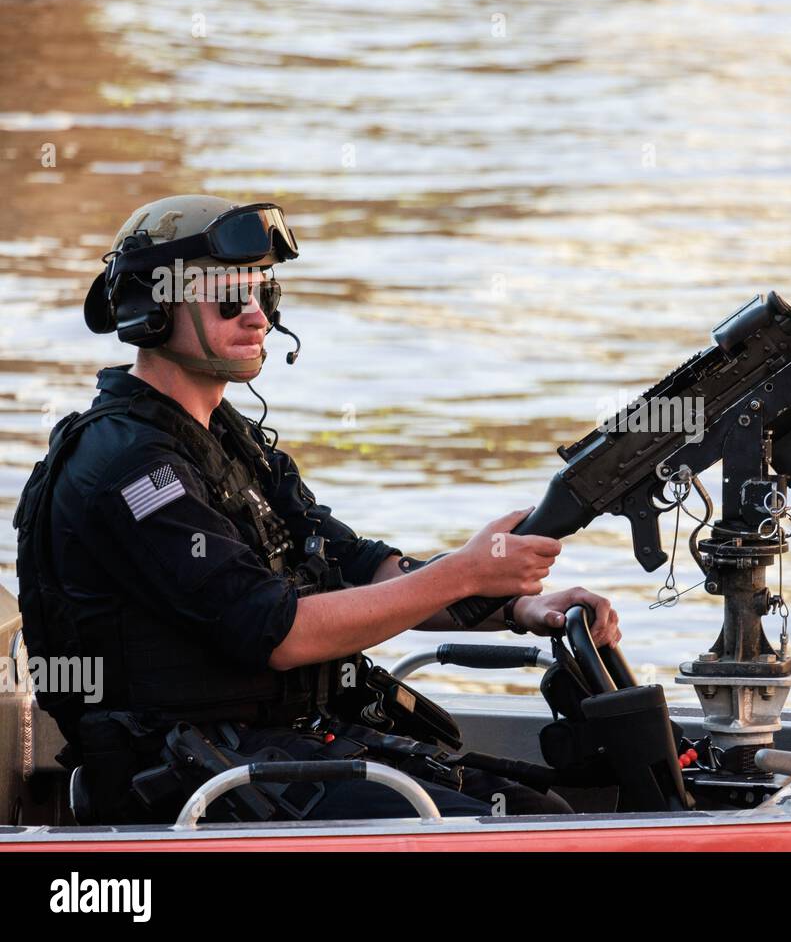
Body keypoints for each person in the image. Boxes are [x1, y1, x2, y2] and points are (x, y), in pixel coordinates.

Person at [14, 195, 622, 824]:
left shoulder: (223, 436)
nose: (256, 317)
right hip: (182, 783)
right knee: (503, 832)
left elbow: (352, 565)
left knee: (540, 809)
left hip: (269, 748)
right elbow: (277, 632)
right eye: (229, 296)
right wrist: (466, 572)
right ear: (152, 310)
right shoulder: (131, 467)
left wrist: (516, 604)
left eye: (264, 295)